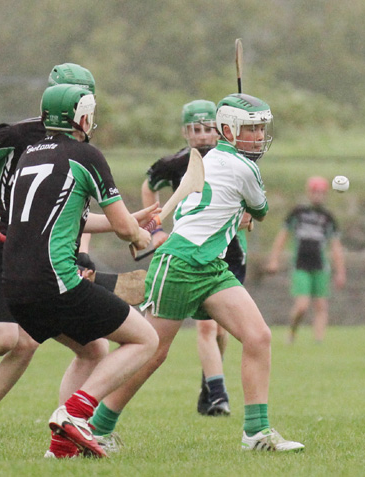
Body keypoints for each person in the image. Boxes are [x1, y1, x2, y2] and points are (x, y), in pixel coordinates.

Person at [90, 93, 305, 452]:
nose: (257, 135)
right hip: (182, 262)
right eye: (249, 128)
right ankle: (95, 427)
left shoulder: (216, 157)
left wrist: (240, 210)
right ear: (227, 130)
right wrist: (247, 210)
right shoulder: (244, 167)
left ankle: (256, 433)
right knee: (151, 351)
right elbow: (261, 209)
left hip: (211, 265)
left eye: (260, 128)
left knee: (258, 336)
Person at [0, 63, 113, 432]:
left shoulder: (79, 149)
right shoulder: (16, 135)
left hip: (39, 255)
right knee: (6, 338)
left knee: (50, 345)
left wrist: (84, 251)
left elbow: (77, 214)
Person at [1, 83, 159, 458]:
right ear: (83, 117)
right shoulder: (85, 154)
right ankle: (75, 413)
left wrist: (132, 222)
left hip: (16, 285)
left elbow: (71, 215)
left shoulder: (29, 155)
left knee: (92, 350)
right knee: (145, 340)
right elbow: (125, 232)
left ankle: (62, 446)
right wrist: (141, 235)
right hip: (55, 279)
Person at [141, 99, 251, 416]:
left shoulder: (233, 161)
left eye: (207, 129)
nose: (202, 136)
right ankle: (218, 395)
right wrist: (156, 228)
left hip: (230, 250)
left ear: (219, 130)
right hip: (193, 251)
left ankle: (209, 383)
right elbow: (149, 186)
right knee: (206, 328)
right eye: (195, 130)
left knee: (220, 329)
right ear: (185, 132)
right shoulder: (176, 163)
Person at [266, 176, 346, 343]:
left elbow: (336, 246)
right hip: (300, 264)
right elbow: (282, 237)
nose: (318, 195)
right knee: (302, 306)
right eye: (315, 192)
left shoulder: (327, 217)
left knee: (321, 306)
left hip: (320, 265)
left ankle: (318, 341)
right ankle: (292, 332)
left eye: (322, 193)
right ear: (309, 193)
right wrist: (274, 259)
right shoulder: (298, 213)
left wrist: (340, 271)